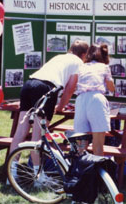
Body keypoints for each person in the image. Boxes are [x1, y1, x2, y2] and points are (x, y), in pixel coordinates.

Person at [7, 40, 89, 184]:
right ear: (83, 55)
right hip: (45, 88)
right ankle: (38, 176)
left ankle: (11, 173)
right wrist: (61, 107)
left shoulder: (59, 57)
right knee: (38, 136)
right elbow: (70, 89)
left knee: (20, 131)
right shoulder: (78, 62)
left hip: (29, 84)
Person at [73, 43, 115, 156]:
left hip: (81, 100)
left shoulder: (81, 67)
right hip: (96, 100)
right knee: (98, 145)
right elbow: (111, 88)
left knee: (81, 142)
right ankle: (97, 171)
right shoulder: (104, 67)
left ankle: (79, 169)